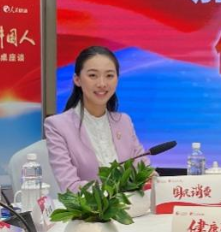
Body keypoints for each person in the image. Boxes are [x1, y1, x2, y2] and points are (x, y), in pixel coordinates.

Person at [44, 45, 146, 192]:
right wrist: (114, 193)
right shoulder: (57, 126)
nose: (102, 84)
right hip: (88, 207)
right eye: (93, 75)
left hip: (132, 206)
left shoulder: (124, 121)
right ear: (77, 79)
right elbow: (70, 186)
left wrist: (151, 179)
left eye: (109, 76)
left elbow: (143, 169)